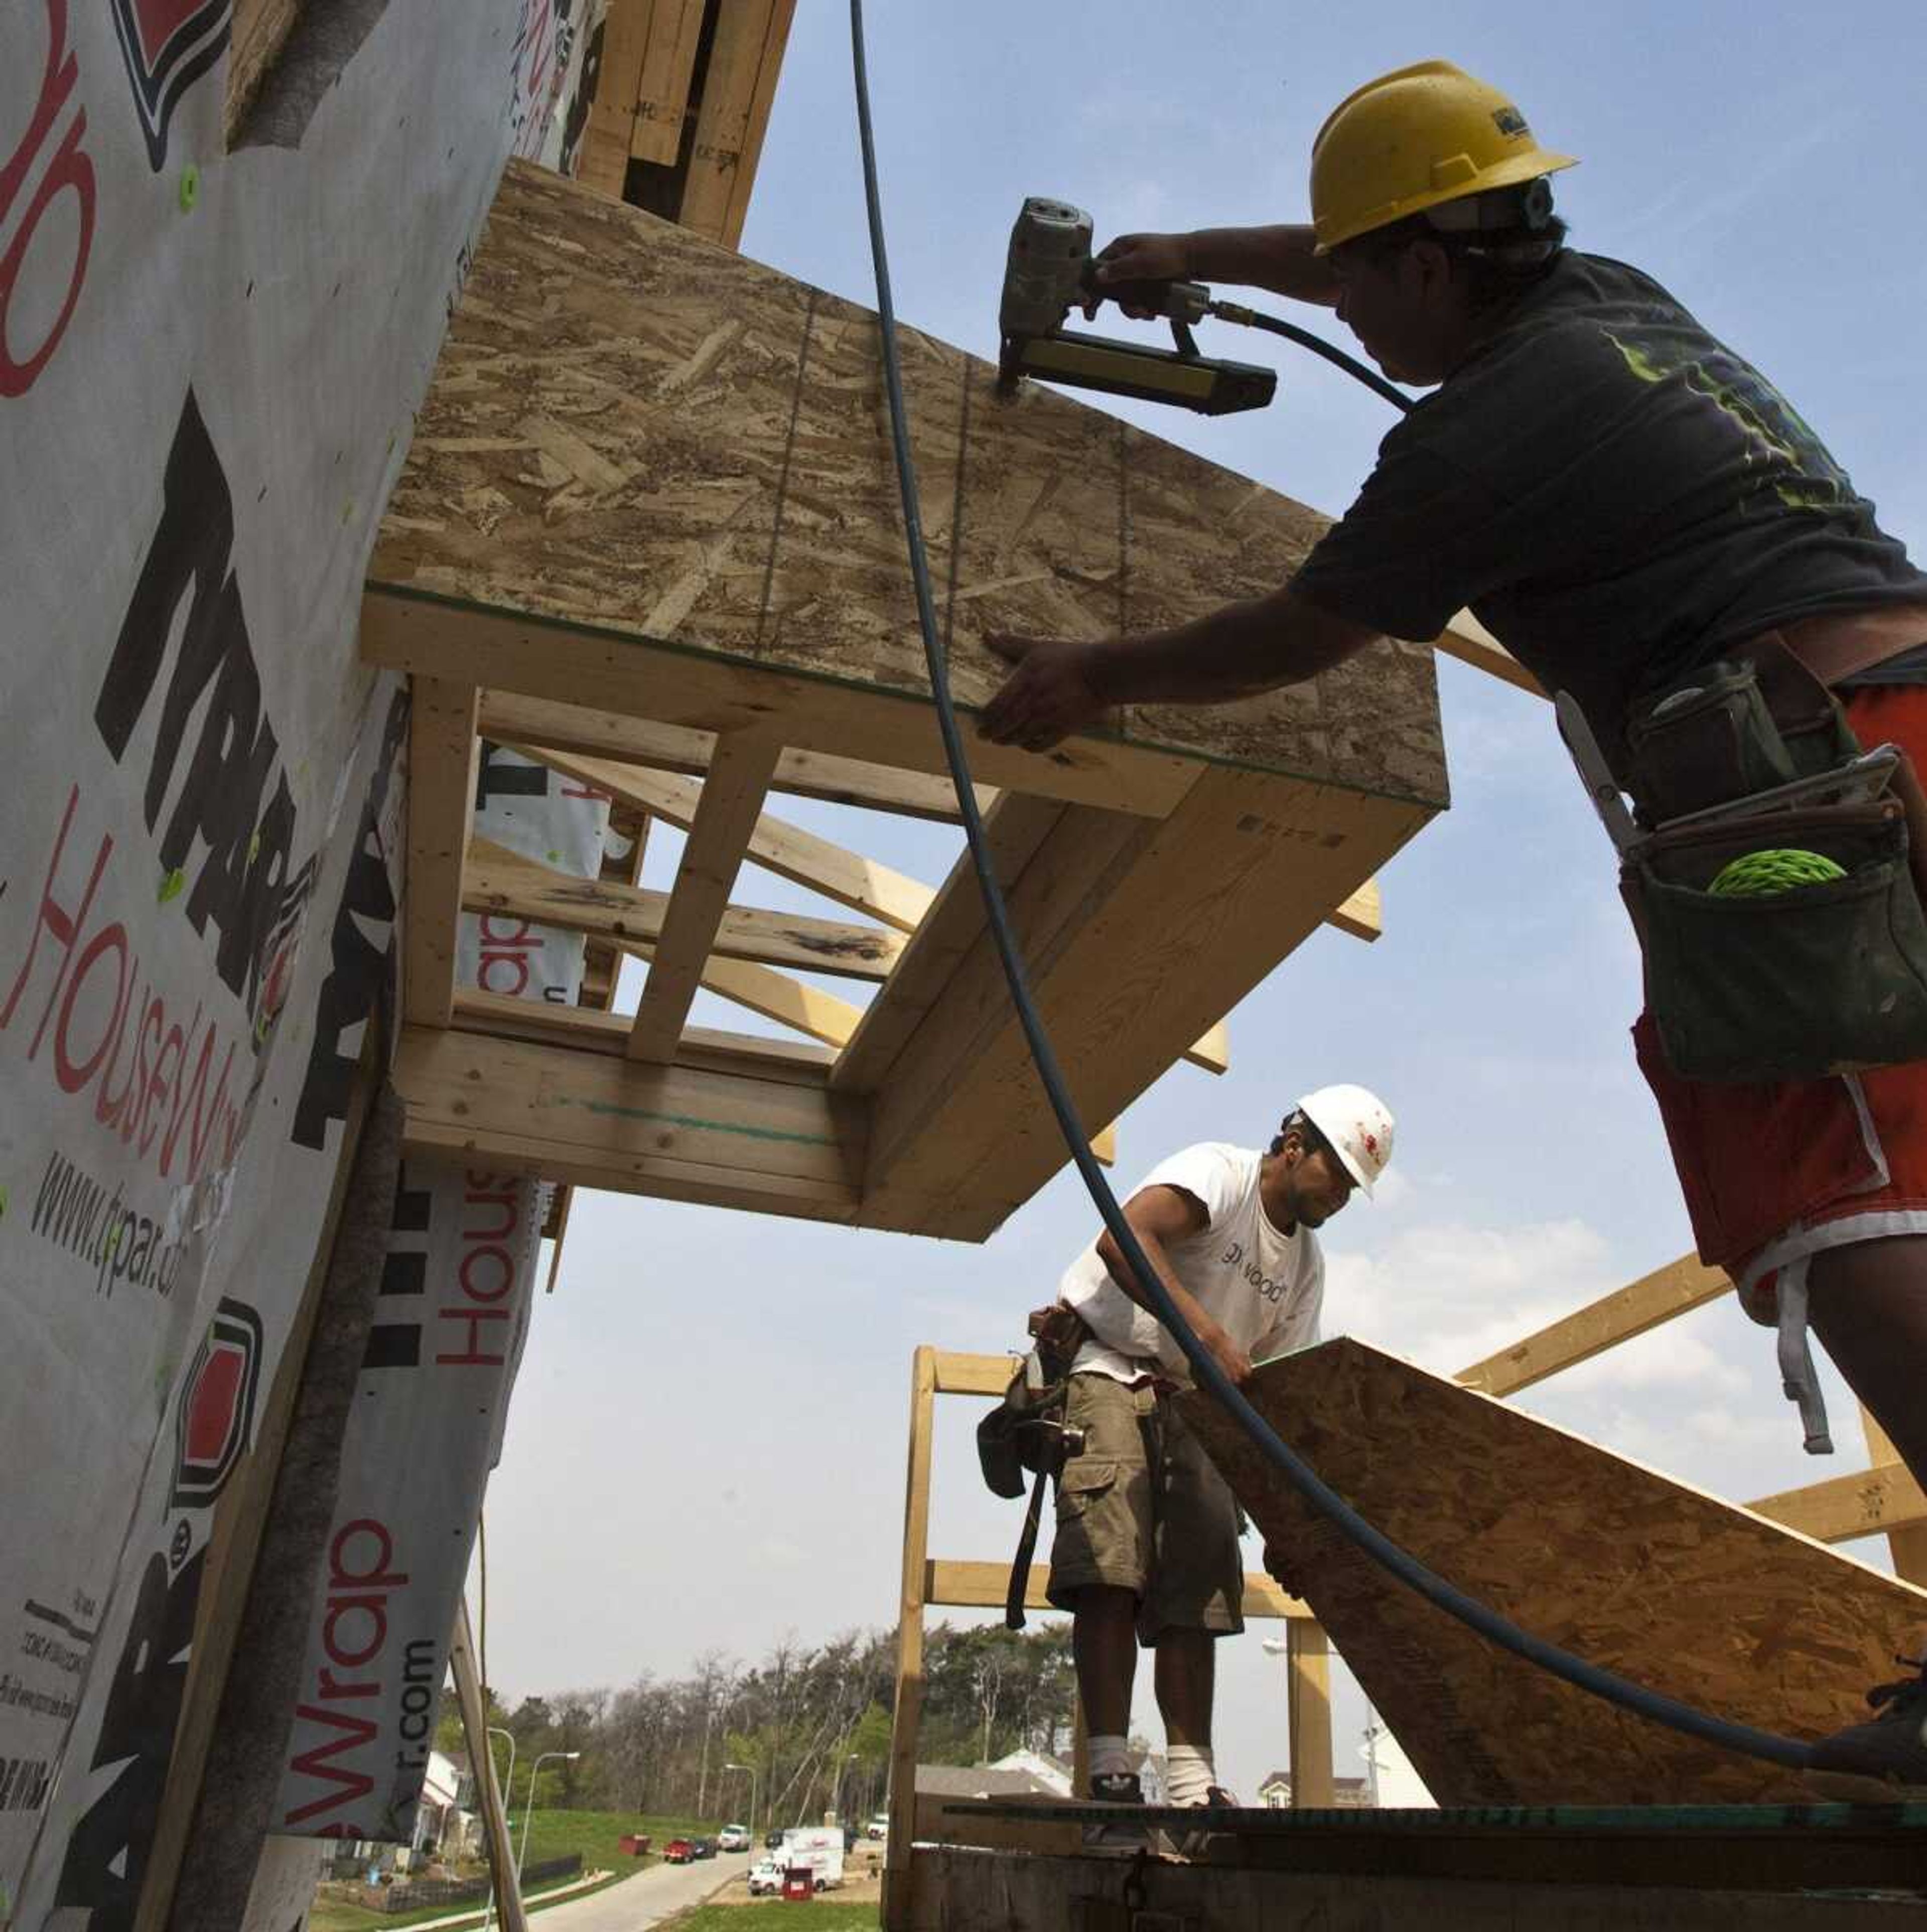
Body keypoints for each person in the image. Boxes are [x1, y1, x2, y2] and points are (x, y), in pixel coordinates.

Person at [981, 59, 1927, 1791]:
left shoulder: (1483, 432)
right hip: (1886, 742)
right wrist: (1191, 250)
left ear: (1426, 270)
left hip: (1824, 792)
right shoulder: (1610, 305)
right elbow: (1357, 242)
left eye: (1356, 277)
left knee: (1846, 1209)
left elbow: (1301, 632)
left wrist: (1091, 679)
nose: (1341, 300)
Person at [1044, 1085, 1393, 1805]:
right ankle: (1109, 1766)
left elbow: (1276, 1405)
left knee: (1200, 1579)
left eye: (1356, 1191)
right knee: (1111, 1565)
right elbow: (1123, 1237)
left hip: (1198, 1404)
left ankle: (1190, 1776)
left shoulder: (1306, 1268)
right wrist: (1207, 1336)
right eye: (1339, 1176)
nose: (1342, 1200)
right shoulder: (1220, 1175)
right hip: (1112, 1362)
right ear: (1295, 1144)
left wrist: (1287, 1527)